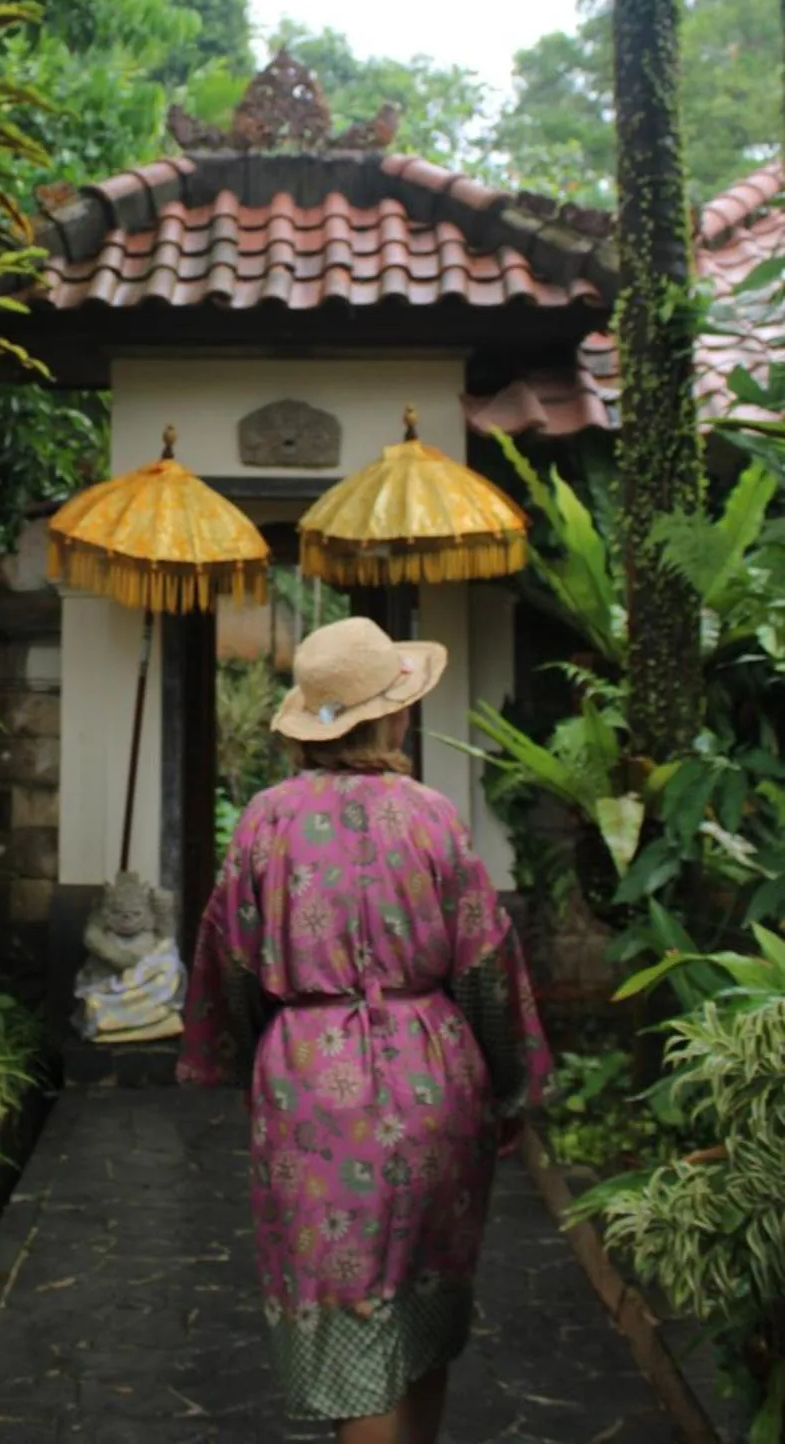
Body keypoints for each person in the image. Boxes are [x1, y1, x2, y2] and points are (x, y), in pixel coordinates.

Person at [177, 616, 552, 1444]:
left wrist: (246, 1064)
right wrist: (513, 1083)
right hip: (433, 1072)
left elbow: (227, 966)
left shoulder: (264, 823)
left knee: (350, 1318)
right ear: (391, 715)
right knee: (423, 1291)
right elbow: (487, 962)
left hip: (310, 1081)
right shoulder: (431, 817)